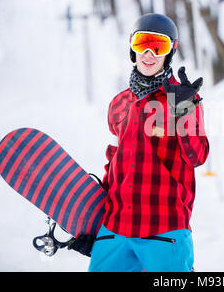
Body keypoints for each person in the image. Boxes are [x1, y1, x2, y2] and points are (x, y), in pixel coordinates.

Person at [70, 13, 209, 272]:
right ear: (132, 49)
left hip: (163, 228)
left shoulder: (182, 99)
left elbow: (197, 156)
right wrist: (96, 221)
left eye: (158, 46)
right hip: (115, 228)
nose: (148, 53)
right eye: (142, 43)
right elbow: (115, 161)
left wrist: (184, 112)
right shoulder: (119, 103)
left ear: (170, 52)